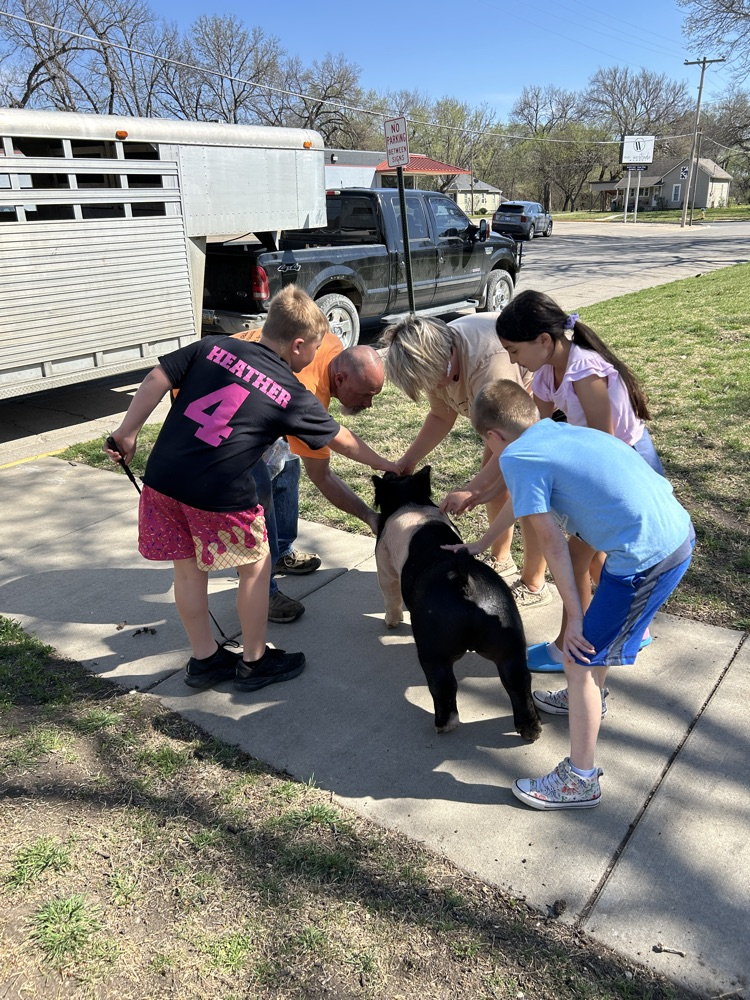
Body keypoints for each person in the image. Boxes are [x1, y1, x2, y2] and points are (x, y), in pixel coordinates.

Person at [104, 286, 396, 692]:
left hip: (163, 480)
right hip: (220, 492)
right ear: (297, 346)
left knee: (188, 571)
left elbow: (157, 377)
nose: (316, 355)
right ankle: (255, 660)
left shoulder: (211, 346)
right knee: (256, 567)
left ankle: (204, 659)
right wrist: (387, 464)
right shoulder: (289, 392)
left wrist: (127, 433)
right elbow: (339, 439)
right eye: (315, 347)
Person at [441, 379, 694, 810]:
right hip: (669, 533)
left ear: (492, 436)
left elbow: (552, 543)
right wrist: (483, 544)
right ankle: (593, 694)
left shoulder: (517, 455)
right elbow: (523, 501)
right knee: (589, 656)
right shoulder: (551, 432)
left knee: (578, 657)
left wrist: (573, 617)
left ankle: (580, 781)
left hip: (646, 558)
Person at [495, 289, 664, 672]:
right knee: (592, 557)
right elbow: (532, 434)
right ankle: (638, 626)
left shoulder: (585, 371)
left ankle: (569, 646)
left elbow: (603, 447)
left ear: (543, 340)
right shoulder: (545, 374)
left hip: (626, 465)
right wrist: (490, 479)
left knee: (575, 558)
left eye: (514, 350)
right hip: (603, 464)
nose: (511, 359)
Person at [231, 327, 386, 622]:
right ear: (340, 379)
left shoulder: (332, 347)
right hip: (223, 410)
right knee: (256, 492)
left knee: (288, 465)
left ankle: (280, 551)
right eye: (366, 395)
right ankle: (263, 593)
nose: (369, 404)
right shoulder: (305, 393)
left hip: (258, 397)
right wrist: (370, 516)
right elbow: (323, 476)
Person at [382, 312, 537, 583]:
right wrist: (408, 460)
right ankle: (502, 560)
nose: (434, 388)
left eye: (433, 380)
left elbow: (514, 443)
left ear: (445, 358)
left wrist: (471, 489)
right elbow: (441, 416)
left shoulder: (487, 363)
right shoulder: (435, 360)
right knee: (495, 476)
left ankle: (534, 583)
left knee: (530, 491)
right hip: (504, 427)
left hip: (538, 411)